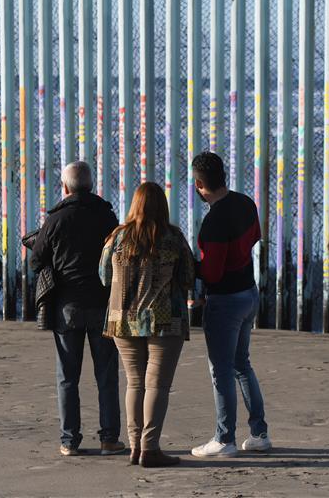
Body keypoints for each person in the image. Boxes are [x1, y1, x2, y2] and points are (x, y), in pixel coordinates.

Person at [30, 161, 125, 457]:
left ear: (65, 187)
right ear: (91, 186)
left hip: (67, 306)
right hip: (102, 304)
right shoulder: (107, 216)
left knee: (67, 377)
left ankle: (70, 440)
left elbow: (36, 261)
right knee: (106, 375)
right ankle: (109, 438)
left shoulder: (56, 219)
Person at [99, 182, 194, 468]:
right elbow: (188, 277)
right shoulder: (173, 238)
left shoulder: (117, 237)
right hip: (165, 320)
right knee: (157, 386)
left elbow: (104, 276)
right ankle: (150, 448)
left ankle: (134, 447)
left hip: (123, 319)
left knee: (135, 382)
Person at [189, 152, 272, 458]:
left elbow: (212, 273)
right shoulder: (245, 203)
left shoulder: (214, 222)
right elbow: (254, 238)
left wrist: (190, 266)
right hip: (249, 293)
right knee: (241, 365)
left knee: (221, 370)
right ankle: (259, 433)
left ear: (199, 185)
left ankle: (225, 438)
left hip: (225, 301)